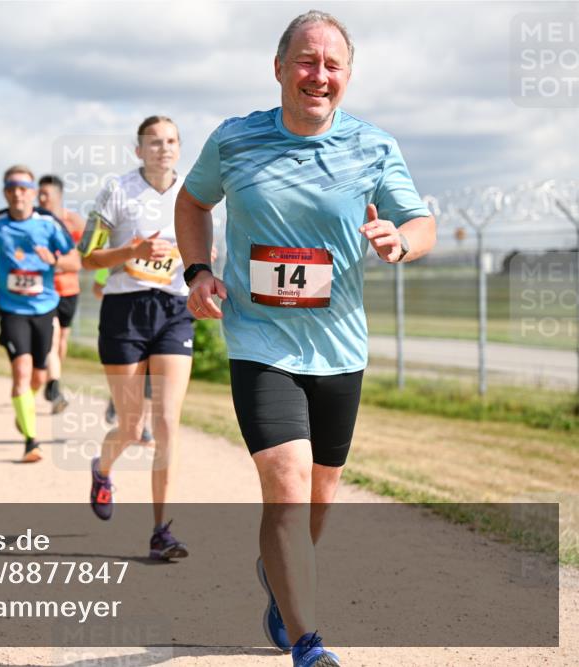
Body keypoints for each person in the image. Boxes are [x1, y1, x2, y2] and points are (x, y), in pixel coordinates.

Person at [174, 11, 437, 666]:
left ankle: (281, 577)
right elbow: (192, 201)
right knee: (287, 482)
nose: (318, 74)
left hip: (339, 348)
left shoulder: (374, 147)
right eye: (306, 60)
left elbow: (420, 220)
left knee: (321, 495)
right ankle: (309, 642)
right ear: (279, 67)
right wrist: (199, 270)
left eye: (332, 64)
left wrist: (401, 241)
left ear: (346, 76)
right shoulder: (235, 141)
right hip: (260, 340)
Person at [80, 115, 192, 561]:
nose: (162, 149)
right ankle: (102, 469)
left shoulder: (195, 194)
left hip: (174, 312)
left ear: (179, 148)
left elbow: (204, 246)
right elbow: (87, 256)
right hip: (124, 311)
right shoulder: (117, 190)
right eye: (153, 142)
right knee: (132, 426)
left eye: (170, 141)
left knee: (166, 424)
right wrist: (133, 251)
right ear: (138, 150)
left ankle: (161, 530)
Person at [0, 165, 79, 462]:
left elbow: (75, 260)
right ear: (5, 192)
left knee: (38, 376)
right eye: (12, 188)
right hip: (11, 308)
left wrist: (56, 262)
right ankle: (31, 441)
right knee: (21, 371)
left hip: (44, 307)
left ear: (33, 193)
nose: (17, 194)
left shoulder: (48, 222)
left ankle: (26, 409)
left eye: (23, 188)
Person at [37, 174, 85, 414]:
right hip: (44, 291)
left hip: (69, 289)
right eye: (40, 193)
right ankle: (54, 389)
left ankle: (53, 377)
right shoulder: (34, 220)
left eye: (46, 194)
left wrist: (60, 262)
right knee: (52, 339)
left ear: (59, 196)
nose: (41, 198)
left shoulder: (73, 222)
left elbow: (83, 255)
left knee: (61, 341)